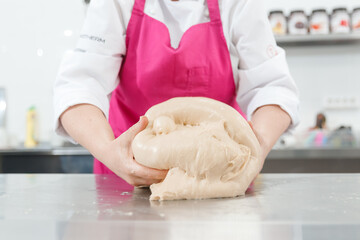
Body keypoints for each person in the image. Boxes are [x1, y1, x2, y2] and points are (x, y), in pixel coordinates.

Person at [54, 0, 299, 187]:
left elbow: (271, 86)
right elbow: (80, 85)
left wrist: (254, 152)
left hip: (218, 176)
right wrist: (110, 152)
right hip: (126, 180)